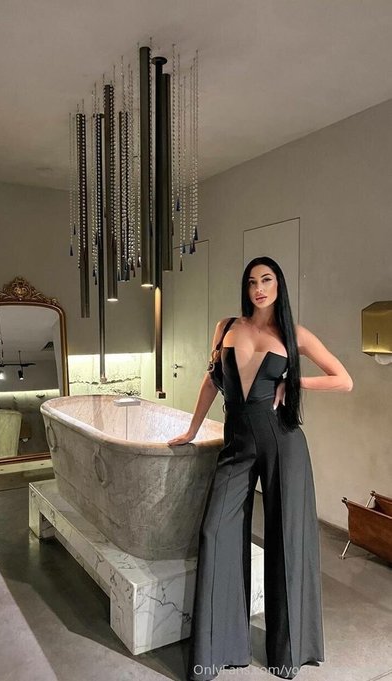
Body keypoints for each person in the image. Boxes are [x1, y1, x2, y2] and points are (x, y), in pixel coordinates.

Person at [167, 256, 353, 680]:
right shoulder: (226, 327)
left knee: (287, 540)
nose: (259, 289)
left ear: (278, 285)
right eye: (252, 281)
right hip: (236, 443)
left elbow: (344, 379)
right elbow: (211, 380)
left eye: (266, 280)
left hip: (282, 442)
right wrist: (192, 429)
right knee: (215, 531)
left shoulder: (293, 333)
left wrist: (295, 381)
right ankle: (219, 649)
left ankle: (289, 653)